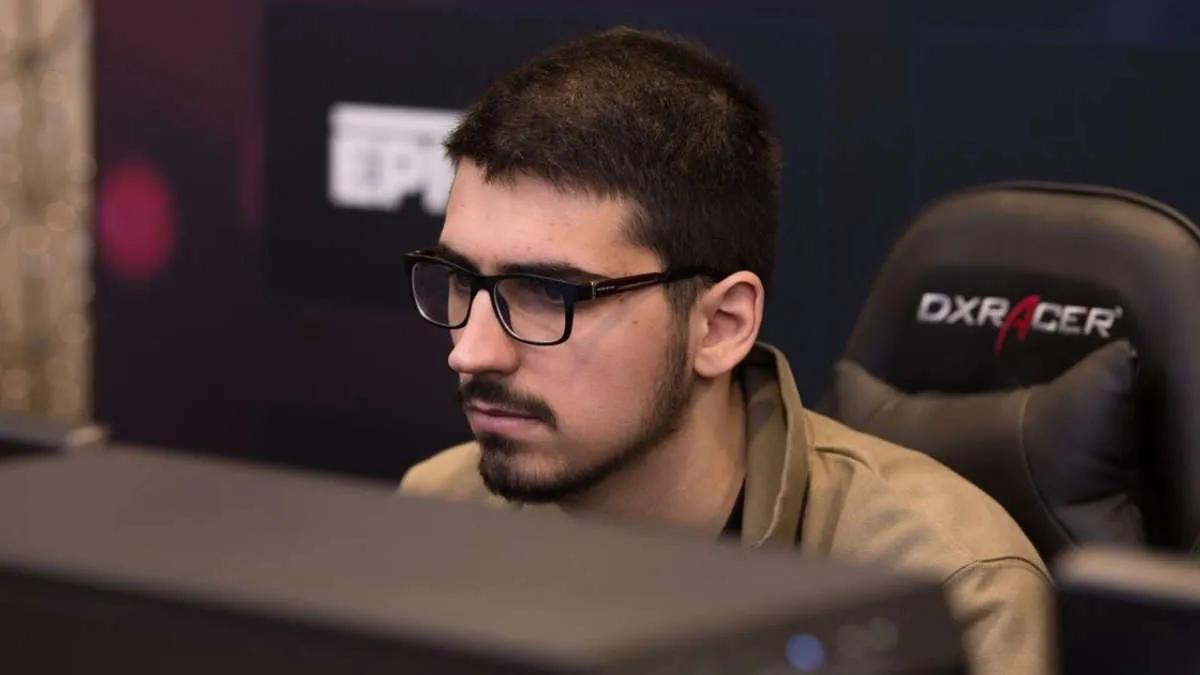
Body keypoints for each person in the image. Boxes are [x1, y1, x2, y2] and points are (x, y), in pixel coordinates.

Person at [399, 27, 1052, 675]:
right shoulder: (443, 511)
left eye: (547, 292)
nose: (471, 352)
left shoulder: (942, 591)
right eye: (459, 279)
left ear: (720, 325)